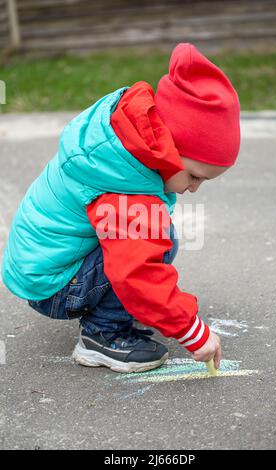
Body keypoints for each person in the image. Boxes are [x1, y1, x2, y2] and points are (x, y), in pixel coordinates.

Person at [2, 43, 240, 373]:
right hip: (52, 286)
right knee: (154, 247)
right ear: (170, 148)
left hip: (40, 264)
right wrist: (194, 334)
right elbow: (137, 271)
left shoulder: (126, 139)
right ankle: (102, 337)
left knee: (155, 235)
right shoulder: (124, 189)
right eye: (195, 175)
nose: (194, 188)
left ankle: (109, 317)